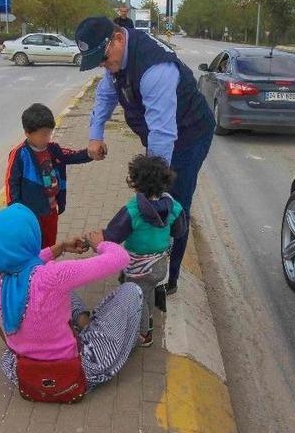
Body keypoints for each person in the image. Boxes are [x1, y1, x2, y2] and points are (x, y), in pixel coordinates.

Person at [75, 16, 215, 296]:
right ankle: (143, 266)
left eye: (103, 59)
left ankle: (165, 279)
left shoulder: (155, 69)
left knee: (172, 206)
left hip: (189, 137)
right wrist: (95, 134)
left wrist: (154, 185)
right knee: (152, 202)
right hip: (160, 134)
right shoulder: (116, 59)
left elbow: (163, 134)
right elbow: (105, 94)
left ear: (117, 38)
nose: (104, 66)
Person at [0, 204, 143, 391]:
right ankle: (92, 330)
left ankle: (81, 320)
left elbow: (22, 263)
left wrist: (60, 248)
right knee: (131, 291)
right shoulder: (54, 276)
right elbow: (120, 258)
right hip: (74, 372)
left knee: (58, 293)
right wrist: (101, 243)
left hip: (23, 371)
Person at [102, 155, 187, 347]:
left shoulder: (133, 210)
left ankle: (143, 335)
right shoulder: (174, 206)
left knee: (136, 298)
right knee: (147, 291)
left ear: (135, 182)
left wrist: (95, 241)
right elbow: (180, 231)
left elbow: (113, 235)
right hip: (159, 265)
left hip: (138, 267)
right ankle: (148, 319)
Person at [6, 103, 93, 248]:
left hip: (51, 210)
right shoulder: (20, 154)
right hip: (30, 214)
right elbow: (11, 184)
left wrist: (90, 153)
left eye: (48, 133)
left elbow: (71, 155)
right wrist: (16, 213)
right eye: (42, 134)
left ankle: (48, 270)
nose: (46, 138)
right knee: (33, 247)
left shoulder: (53, 149)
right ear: (28, 133)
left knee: (49, 246)